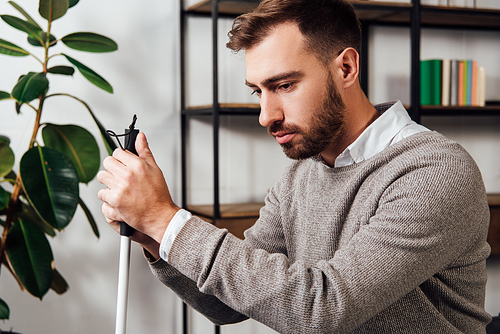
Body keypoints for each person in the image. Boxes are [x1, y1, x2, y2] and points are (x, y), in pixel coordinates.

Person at [97, 0, 492, 332]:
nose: (266, 115)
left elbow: (323, 307)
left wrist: (165, 221)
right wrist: (150, 235)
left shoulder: (435, 171)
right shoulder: (301, 173)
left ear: (347, 69)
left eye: (284, 85)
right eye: (258, 92)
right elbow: (228, 304)